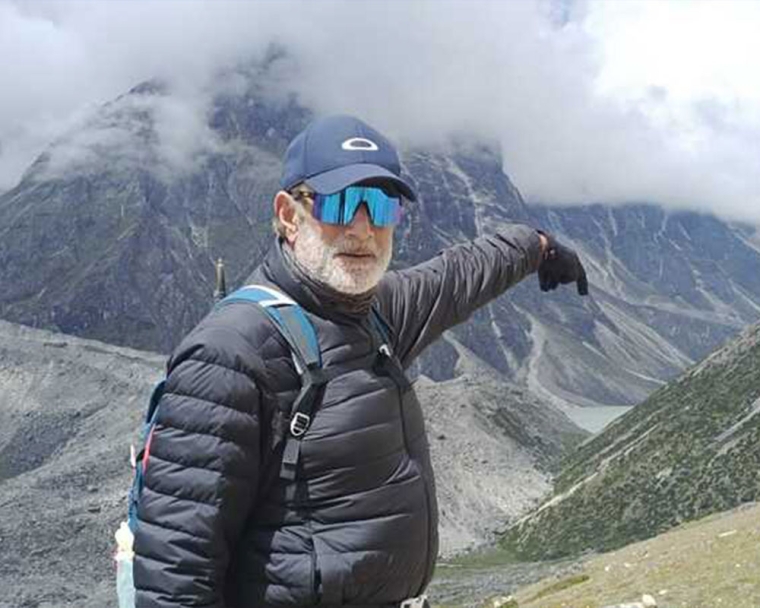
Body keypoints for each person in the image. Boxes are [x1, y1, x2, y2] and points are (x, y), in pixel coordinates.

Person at [132, 115, 588, 608]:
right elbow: (177, 573)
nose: (363, 228)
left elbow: (460, 274)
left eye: (379, 205)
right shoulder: (230, 354)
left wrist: (538, 245)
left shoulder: (373, 313)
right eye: (341, 202)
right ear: (289, 214)